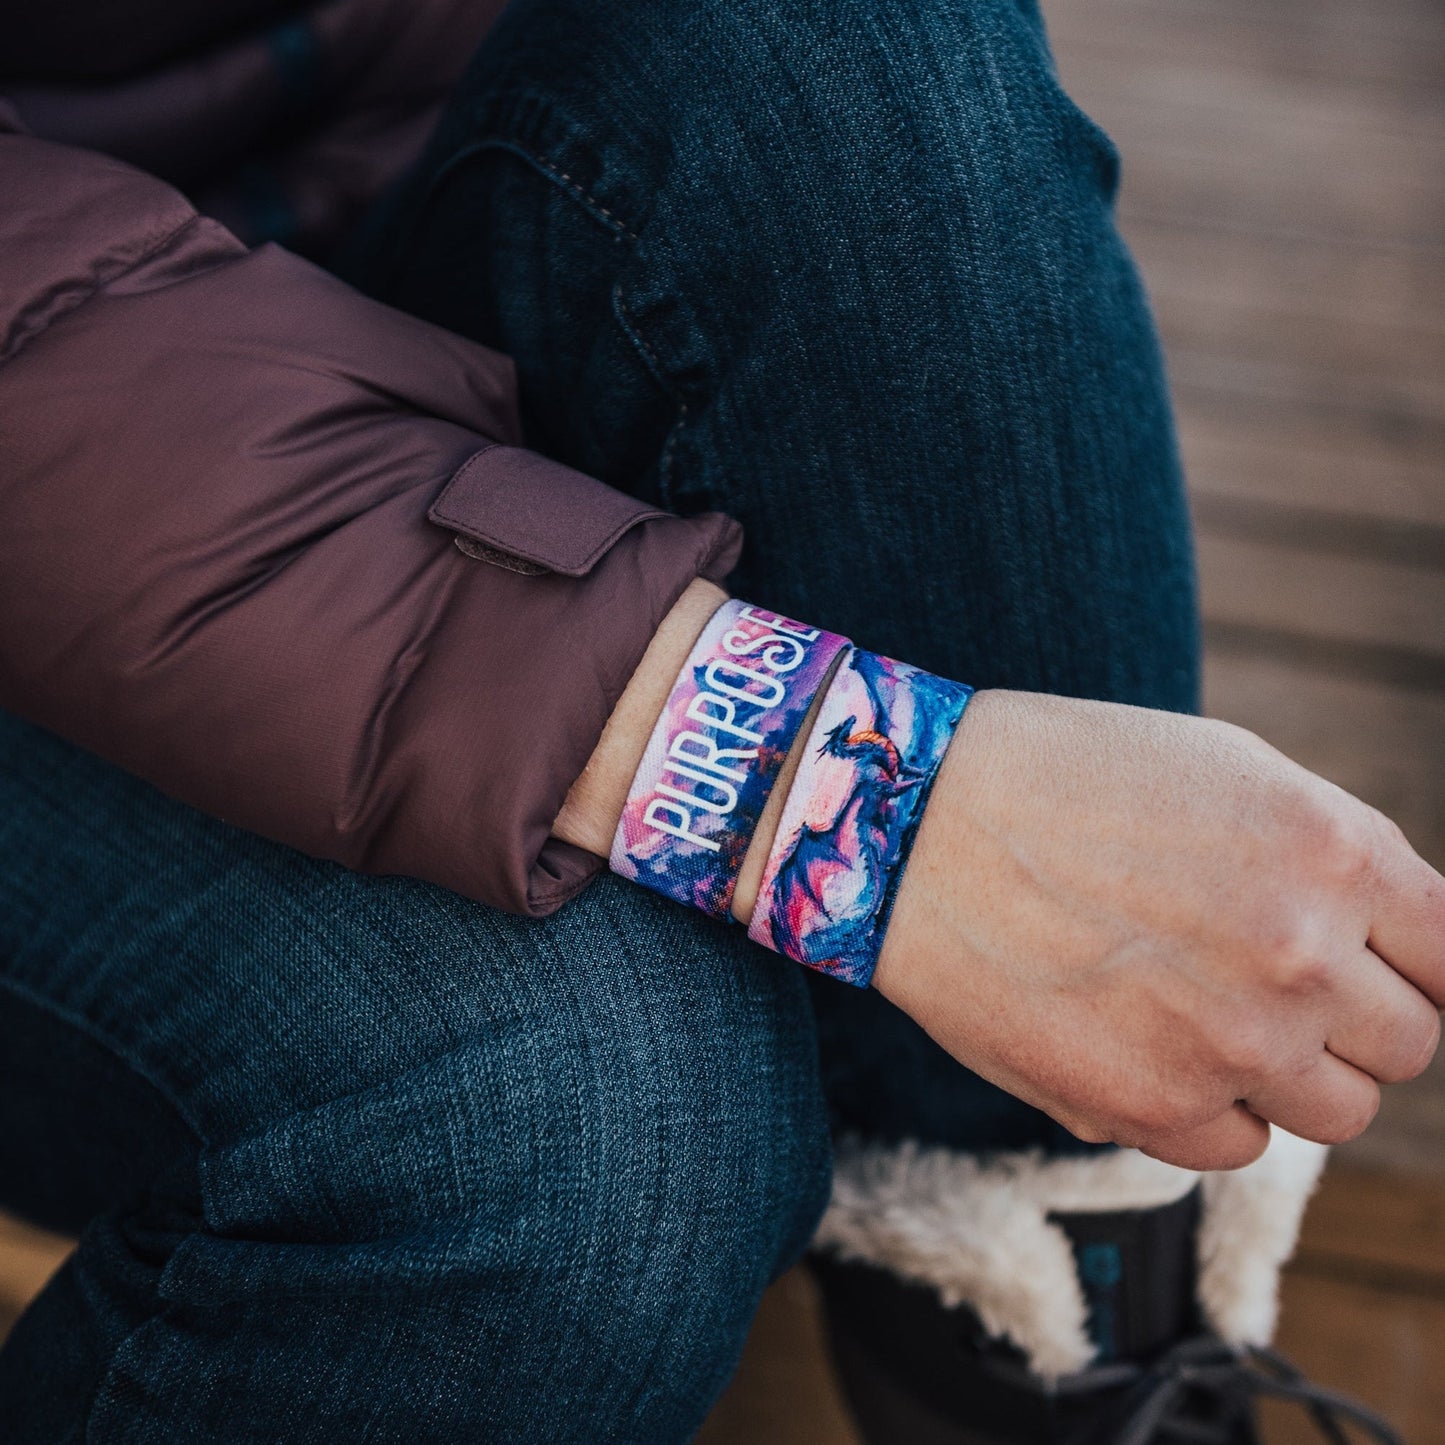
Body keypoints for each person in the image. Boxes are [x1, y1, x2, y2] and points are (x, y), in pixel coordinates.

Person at [0, 1, 1438, 1440]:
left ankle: (1061, 1283)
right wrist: (838, 789)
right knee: (587, 1123)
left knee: (838, 53)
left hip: (339, 313)